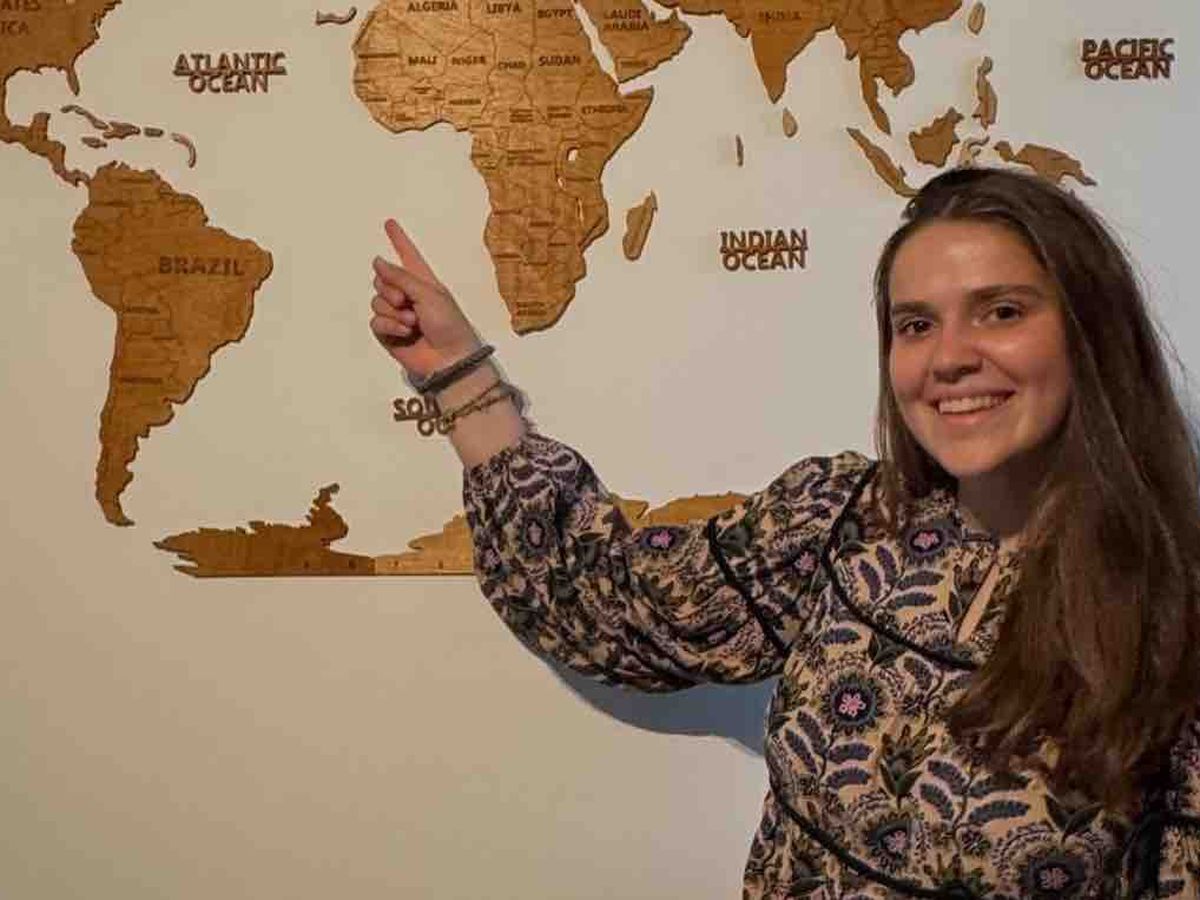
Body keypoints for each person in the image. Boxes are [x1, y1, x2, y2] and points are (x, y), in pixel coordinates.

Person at [368, 167, 1200, 898]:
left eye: (1001, 311)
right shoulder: (843, 518)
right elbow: (606, 603)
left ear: (1090, 331)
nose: (949, 357)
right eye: (915, 325)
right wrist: (459, 373)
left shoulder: (1177, 612)